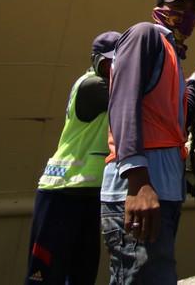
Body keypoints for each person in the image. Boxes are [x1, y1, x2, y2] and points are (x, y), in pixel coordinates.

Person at [100, 0, 195, 285]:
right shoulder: (145, 35)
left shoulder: (172, 55)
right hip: (141, 192)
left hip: (162, 194)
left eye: (194, 9)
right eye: (180, 7)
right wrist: (138, 182)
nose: (188, 15)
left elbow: (174, 122)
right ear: (161, 10)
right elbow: (123, 103)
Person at [26, 30, 122, 285]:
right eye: (111, 62)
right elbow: (146, 99)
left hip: (90, 194)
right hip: (62, 192)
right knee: (45, 276)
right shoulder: (94, 86)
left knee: (82, 274)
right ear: (96, 61)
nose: (116, 67)